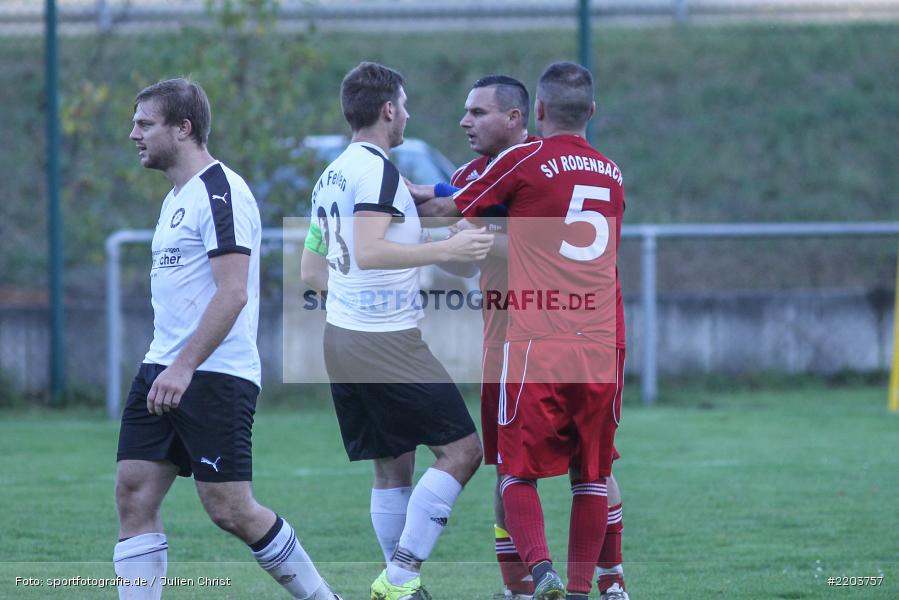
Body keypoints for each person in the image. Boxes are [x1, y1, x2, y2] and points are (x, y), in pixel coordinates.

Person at [116, 78, 340, 600]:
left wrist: (184, 366)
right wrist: (166, 365)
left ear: (183, 128)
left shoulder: (223, 192)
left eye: (145, 123)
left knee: (231, 509)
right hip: (162, 369)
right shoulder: (179, 196)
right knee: (133, 494)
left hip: (212, 374)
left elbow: (233, 293)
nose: (134, 134)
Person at [416, 62, 626, 600]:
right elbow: (462, 248)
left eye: (477, 112)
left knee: (516, 467)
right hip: (589, 336)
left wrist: (376, 199)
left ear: (524, 115)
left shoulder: (521, 164)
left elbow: (453, 214)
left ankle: (554, 579)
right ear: (592, 113)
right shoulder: (609, 170)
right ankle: (578, 586)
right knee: (589, 469)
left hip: (532, 337)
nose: (466, 121)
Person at [299, 62, 493, 600]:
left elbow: (310, 273)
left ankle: (400, 587)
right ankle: (402, 574)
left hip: (341, 338)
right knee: (463, 451)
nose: (406, 114)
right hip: (383, 340)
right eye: (404, 106)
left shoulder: (330, 174)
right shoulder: (378, 171)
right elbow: (371, 249)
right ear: (388, 110)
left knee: (394, 464)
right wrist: (446, 249)